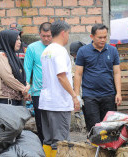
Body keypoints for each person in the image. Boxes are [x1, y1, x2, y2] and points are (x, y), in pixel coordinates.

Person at [39, 20, 80, 157]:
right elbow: (61, 76)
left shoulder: (46, 51)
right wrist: (74, 96)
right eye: (68, 33)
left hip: (46, 101)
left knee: (48, 139)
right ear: (63, 33)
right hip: (58, 103)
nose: (68, 37)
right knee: (61, 141)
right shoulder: (60, 51)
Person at [74, 24, 122, 132]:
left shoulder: (112, 51)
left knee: (109, 128)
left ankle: (108, 149)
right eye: (100, 37)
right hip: (90, 96)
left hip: (109, 95)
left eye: (105, 37)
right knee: (94, 129)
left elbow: (117, 73)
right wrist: (77, 95)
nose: (103, 40)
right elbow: (78, 74)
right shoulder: (83, 51)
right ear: (92, 37)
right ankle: (94, 148)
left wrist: (118, 92)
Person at [24, 22, 52, 144]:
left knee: (53, 121)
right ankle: (42, 146)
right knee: (40, 121)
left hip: (54, 91)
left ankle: (55, 146)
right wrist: (28, 89)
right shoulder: (32, 48)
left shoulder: (56, 47)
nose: (46, 39)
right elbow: (27, 69)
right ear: (39, 34)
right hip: (38, 92)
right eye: (43, 36)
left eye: (49, 36)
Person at [0, 30, 30, 105]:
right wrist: (24, 89)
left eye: (19, 39)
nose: (19, 42)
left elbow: (19, 75)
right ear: (8, 40)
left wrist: (27, 85)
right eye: (16, 39)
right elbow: (8, 77)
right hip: (5, 99)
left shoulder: (12, 56)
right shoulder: (0, 55)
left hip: (15, 97)